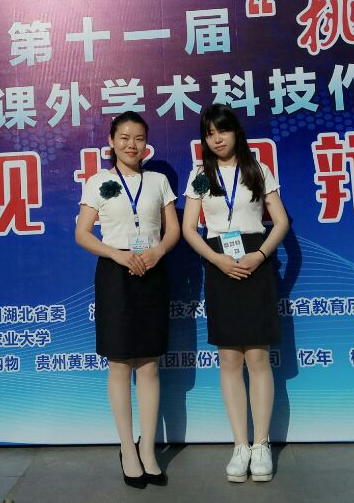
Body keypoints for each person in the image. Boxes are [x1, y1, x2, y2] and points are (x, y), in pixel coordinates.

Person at [181, 104, 289, 483]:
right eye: (209, 133)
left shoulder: (257, 169)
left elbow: (281, 221)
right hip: (220, 265)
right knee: (229, 358)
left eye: (223, 131)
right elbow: (189, 228)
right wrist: (216, 259)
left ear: (236, 132)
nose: (217, 139)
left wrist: (260, 256)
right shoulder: (200, 176)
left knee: (257, 356)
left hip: (256, 262)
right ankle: (240, 444)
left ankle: (262, 444)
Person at [75, 111, 179, 488]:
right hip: (116, 274)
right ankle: (127, 448)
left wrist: (157, 252)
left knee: (149, 364)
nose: (131, 144)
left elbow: (173, 230)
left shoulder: (158, 181)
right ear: (111, 142)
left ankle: (147, 448)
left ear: (146, 143)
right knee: (119, 363)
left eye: (138, 138)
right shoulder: (98, 182)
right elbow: (83, 234)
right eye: (124, 137)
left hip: (151, 272)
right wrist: (117, 254)